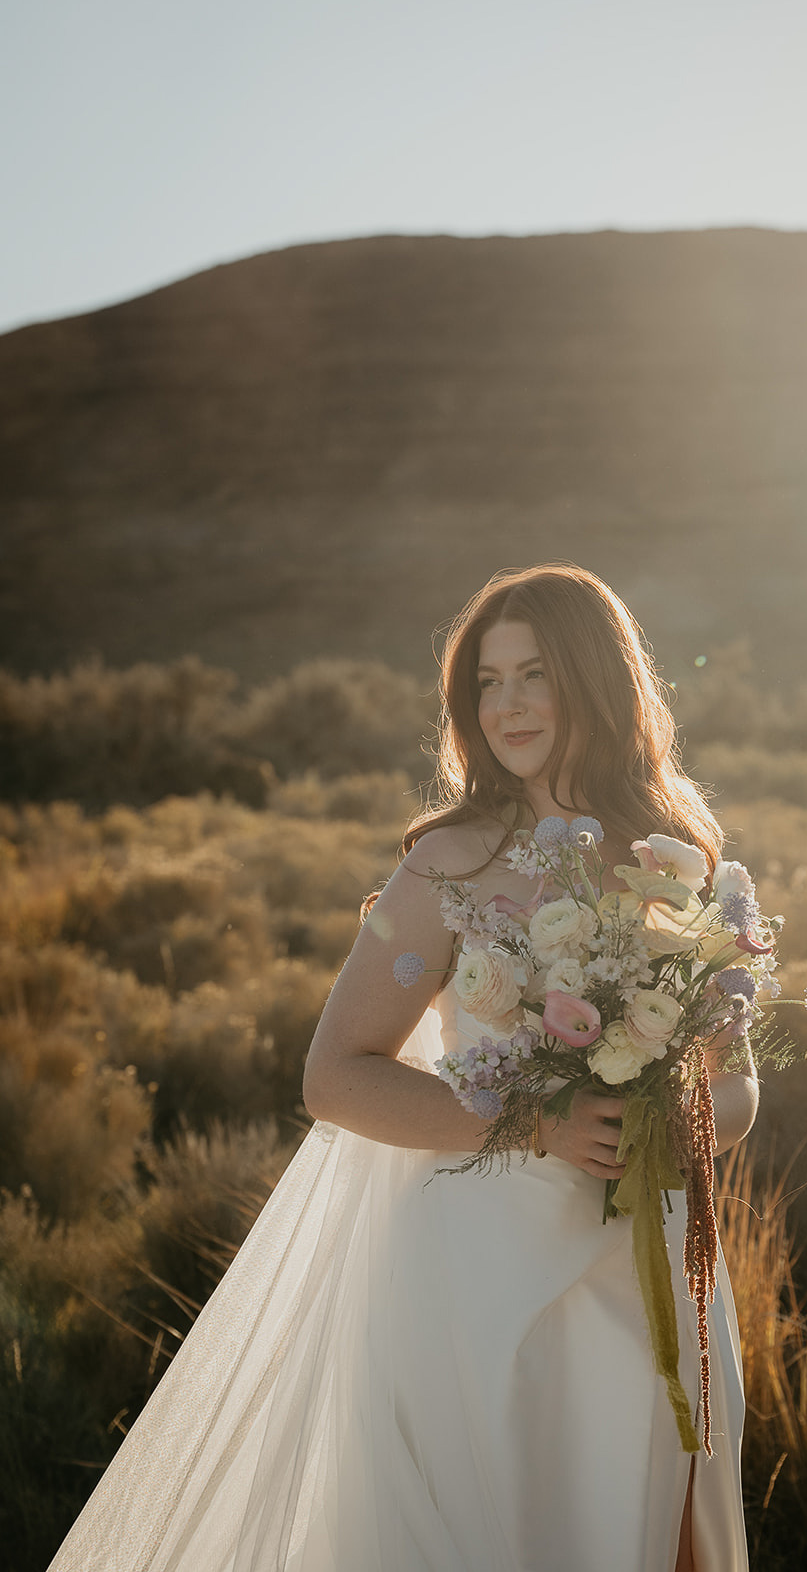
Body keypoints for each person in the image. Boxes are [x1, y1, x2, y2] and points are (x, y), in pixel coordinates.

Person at [48, 563, 757, 1572]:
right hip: (479, 1279)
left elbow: (737, 1079)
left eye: (533, 674)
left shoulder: (678, 855)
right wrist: (539, 1126)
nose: (505, 704)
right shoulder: (443, 866)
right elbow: (334, 1074)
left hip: (650, 1269)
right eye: (486, 681)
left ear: (597, 680)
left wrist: (682, 1119)